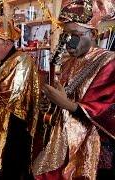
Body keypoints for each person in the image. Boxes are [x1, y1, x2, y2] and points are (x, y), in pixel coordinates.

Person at [32, 0, 115, 179]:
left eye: (76, 35)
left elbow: (107, 109)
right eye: (66, 35)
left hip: (94, 148)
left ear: (93, 34)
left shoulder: (109, 61)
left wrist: (68, 105)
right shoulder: (68, 63)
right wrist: (51, 105)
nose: (69, 41)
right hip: (64, 144)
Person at [0, 17, 41, 179]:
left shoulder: (21, 60)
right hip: (2, 129)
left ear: (7, 44)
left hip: (13, 132)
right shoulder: (4, 62)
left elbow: (14, 96)